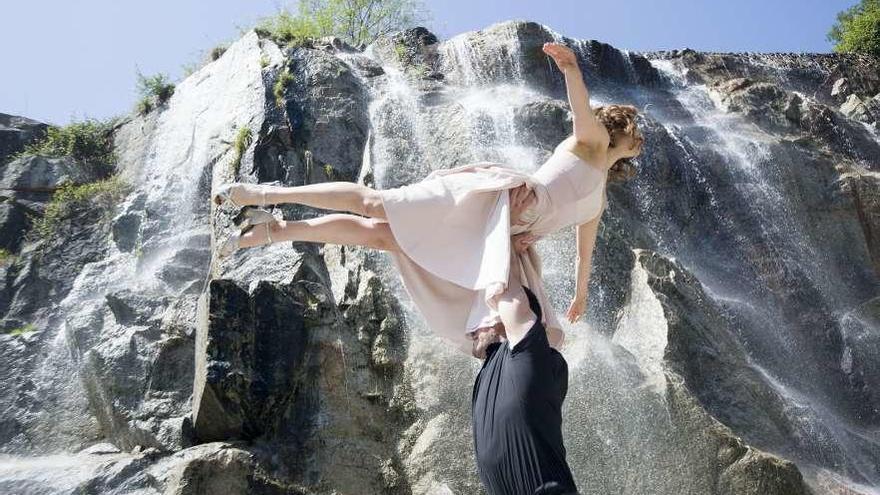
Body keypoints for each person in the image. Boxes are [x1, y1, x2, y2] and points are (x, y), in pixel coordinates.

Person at [211, 42, 644, 354]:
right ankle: (265, 192)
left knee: (382, 237)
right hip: (486, 202)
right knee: (375, 204)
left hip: (498, 236)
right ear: (617, 131)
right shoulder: (589, 144)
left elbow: (584, 253)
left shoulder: (599, 199)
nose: (640, 137)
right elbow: (581, 110)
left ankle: (276, 231)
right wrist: (571, 72)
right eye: (635, 129)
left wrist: (581, 295)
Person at [469, 245, 579, 495]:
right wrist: (504, 236)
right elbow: (506, 289)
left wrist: (506, 243)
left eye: (476, 322)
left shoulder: (521, 361)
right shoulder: (517, 361)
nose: (471, 330)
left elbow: (507, 290)